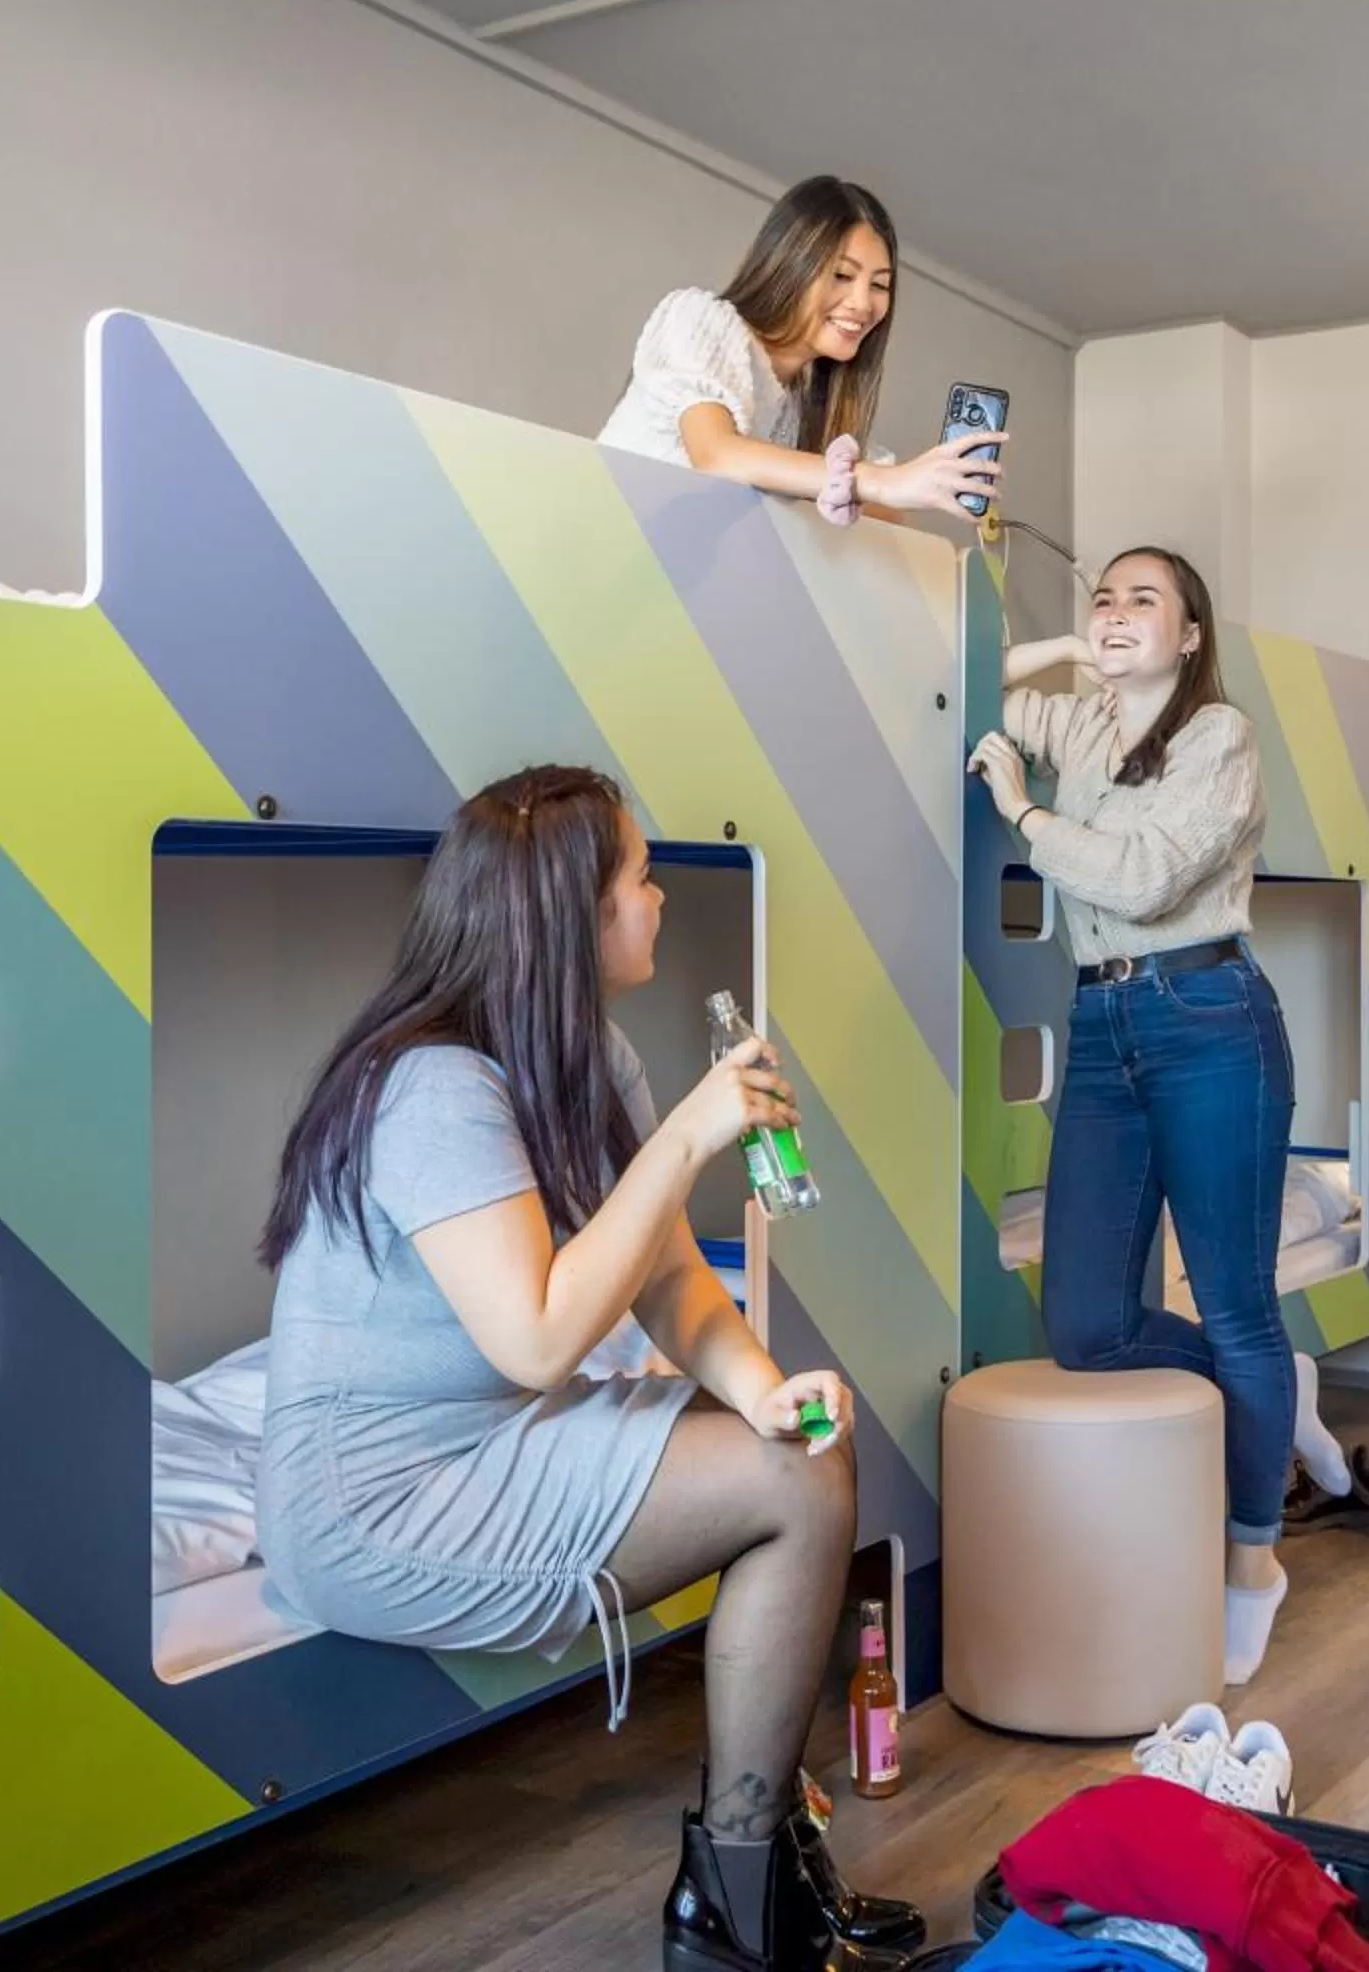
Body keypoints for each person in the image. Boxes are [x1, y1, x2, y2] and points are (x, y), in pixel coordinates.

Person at [253, 764, 920, 1970]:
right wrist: (685, 1137)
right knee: (796, 1487)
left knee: (802, 1447)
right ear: (574, 915)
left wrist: (760, 1388)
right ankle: (739, 1891)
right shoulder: (433, 1086)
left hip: (486, 1435)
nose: (658, 899)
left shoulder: (588, 1054)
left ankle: (751, 1865)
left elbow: (667, 1278)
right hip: (374, 1496)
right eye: (641, 878)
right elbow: (539, 1336)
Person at [966, 548, 1351, 1687]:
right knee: (1085, 1324)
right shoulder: (1079, 721)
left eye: (1146, 598)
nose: (1116, 609)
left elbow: (1137, 879)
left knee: (1235, 1306)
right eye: (1105, 595)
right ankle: (1279, 1397)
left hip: (1207, 1012)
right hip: (1102, 1028)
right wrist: (1063, 649)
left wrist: (1021, 809)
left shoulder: (1217, 736)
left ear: (1191, 635)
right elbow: (949, 683)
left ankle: (1251, 1561)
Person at [597, 175, 1001, 523]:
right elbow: (717, 455)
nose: (863, 303)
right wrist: (878, 481)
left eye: (879, 285)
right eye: (842, 275)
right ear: (792, 265)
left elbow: (893, 517)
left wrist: (920, 481)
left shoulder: (805, 416)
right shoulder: (700, 318)